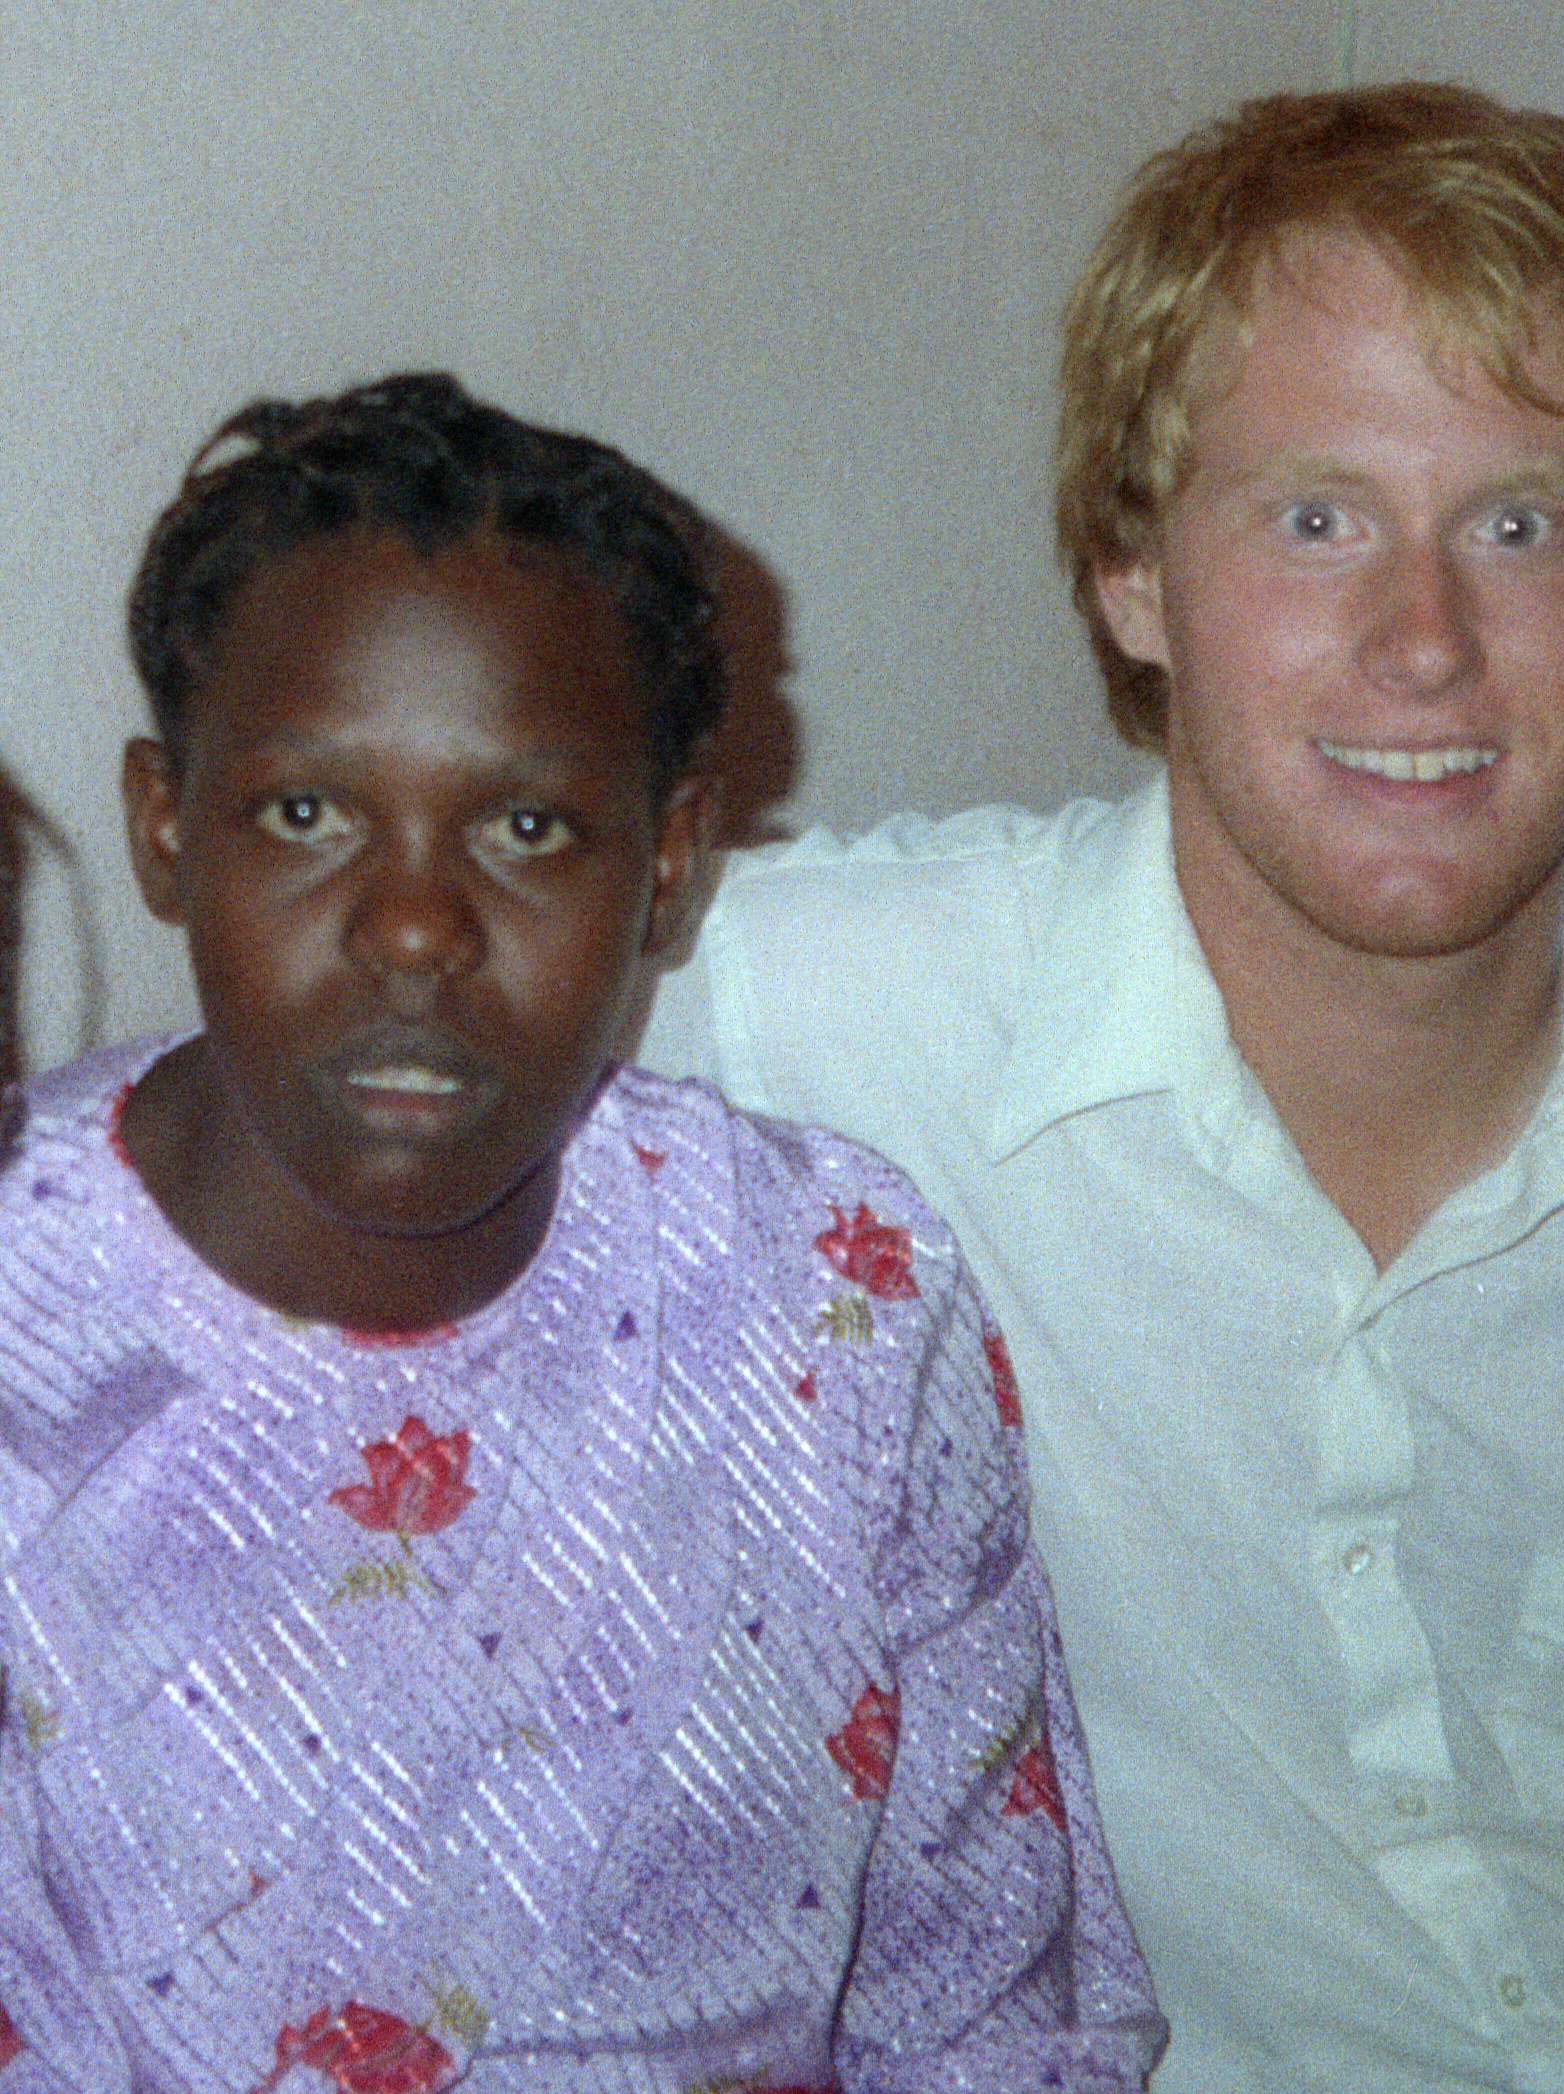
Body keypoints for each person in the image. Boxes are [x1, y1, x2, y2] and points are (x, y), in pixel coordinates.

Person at [641, 83, 1564, 2093]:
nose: (1424, 642)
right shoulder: (813, 1012)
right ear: (1132, 579)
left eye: (1520, 525)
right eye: (1314, 519)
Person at [0, 374, 1165, 2094]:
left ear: (672, 859)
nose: (413, 930)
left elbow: (991, 2001)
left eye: (529, 827)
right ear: (168, 826)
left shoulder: (835, 1304)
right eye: (307, 813)